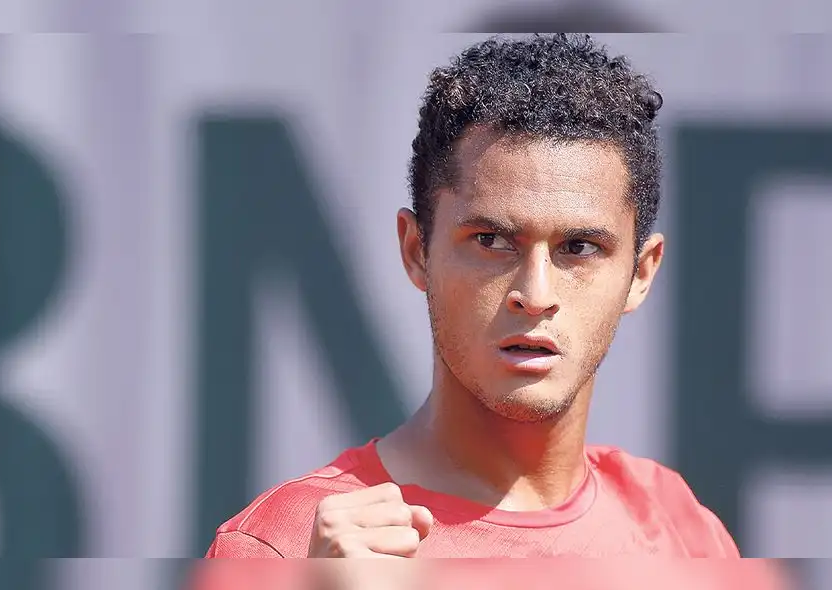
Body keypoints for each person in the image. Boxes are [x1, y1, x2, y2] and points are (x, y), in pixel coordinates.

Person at [205, 33, 737, 559]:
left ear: (640, 273)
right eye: (491, 241)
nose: (535, 294)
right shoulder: (280, 549)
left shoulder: (684, 532)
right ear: (417, 251)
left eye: (578, 247)